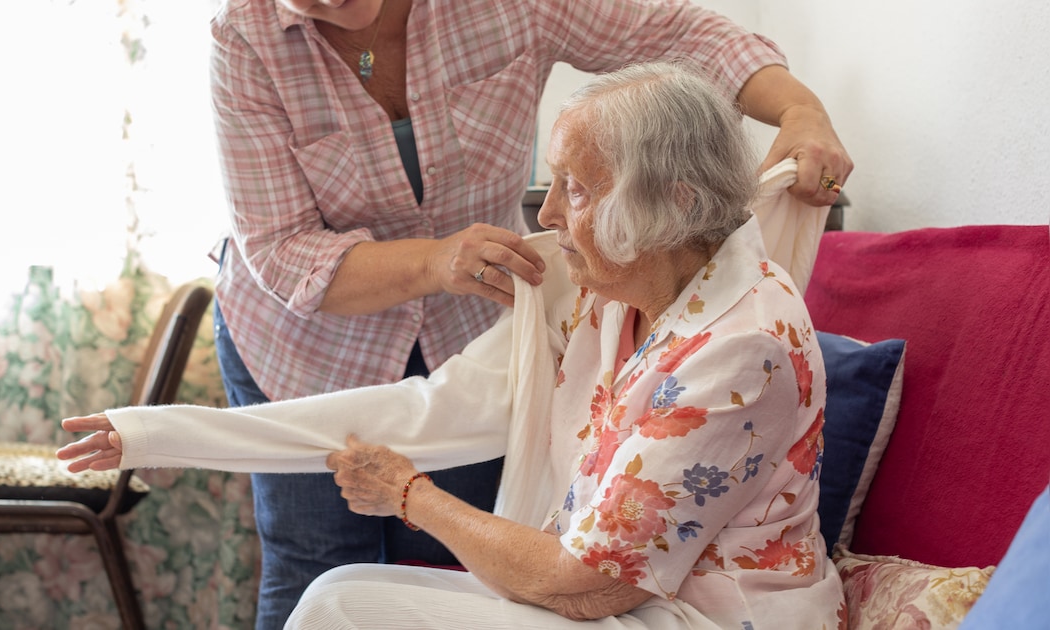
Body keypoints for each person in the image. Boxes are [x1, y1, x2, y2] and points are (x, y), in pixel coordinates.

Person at [60, 60, 846, 628]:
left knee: (342, 607)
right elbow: (417, 412)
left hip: (703, 617)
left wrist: (411, 498)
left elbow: (589, 583)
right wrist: (150, 431)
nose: (543, 218)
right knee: (337, 596)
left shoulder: (740, 346)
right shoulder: (608, 291)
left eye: (572, 189)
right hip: (621, 594)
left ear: (672, 203)